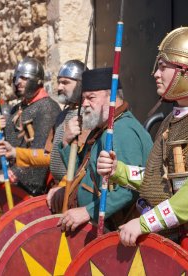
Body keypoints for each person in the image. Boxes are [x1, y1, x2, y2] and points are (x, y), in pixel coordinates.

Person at [97, 27, 188, 275]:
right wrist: (118, 169)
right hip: (172, 237)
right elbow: (162, 180)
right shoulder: (173, 119)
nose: (156, 73)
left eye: (164, 66)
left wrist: (145, 223)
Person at [46, 67, 153, 232]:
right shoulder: (103, 128)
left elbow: (129, 189)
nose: (85, 104)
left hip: (117, 230)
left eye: (91, 98)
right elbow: (81, 173)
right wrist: (67, 141)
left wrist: (87, 212)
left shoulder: (123, 131)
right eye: (83, 98)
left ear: (111, 97)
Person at [0, 60, 89, 186]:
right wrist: (15, 152)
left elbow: (84, 164)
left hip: (71, 188)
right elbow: (47, 155)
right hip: (57, 189)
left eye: (65, 82)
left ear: (81, 84)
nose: (59, 87)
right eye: (59, 82)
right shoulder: (63, 115)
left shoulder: (88, 117)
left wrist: (63, 187)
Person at [0, 56, 61, 196]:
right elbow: (5, 150)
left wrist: (11, 175)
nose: (18, 82)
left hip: (32, 190)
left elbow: (41, 156)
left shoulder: (47, 108)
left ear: (38, 81)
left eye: (24, 78)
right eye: (16, 78)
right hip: (12, 185)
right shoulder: (17, 109)